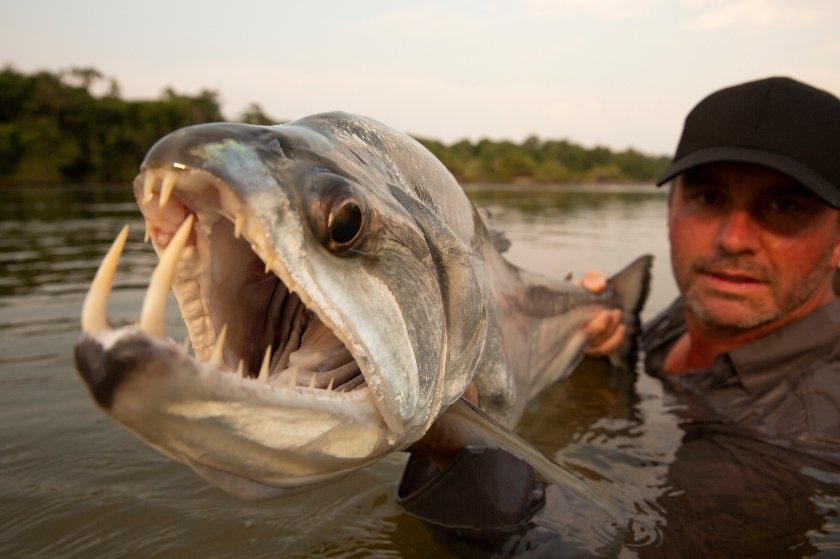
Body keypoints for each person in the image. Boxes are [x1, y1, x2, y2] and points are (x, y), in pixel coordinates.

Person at [395, 76, 840, 555]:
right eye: (709, 198)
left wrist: (460, 449)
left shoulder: (805, 434)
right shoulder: (701, 310)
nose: (733, 239)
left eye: (784, 206)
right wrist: (607, 350)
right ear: (670, 209)